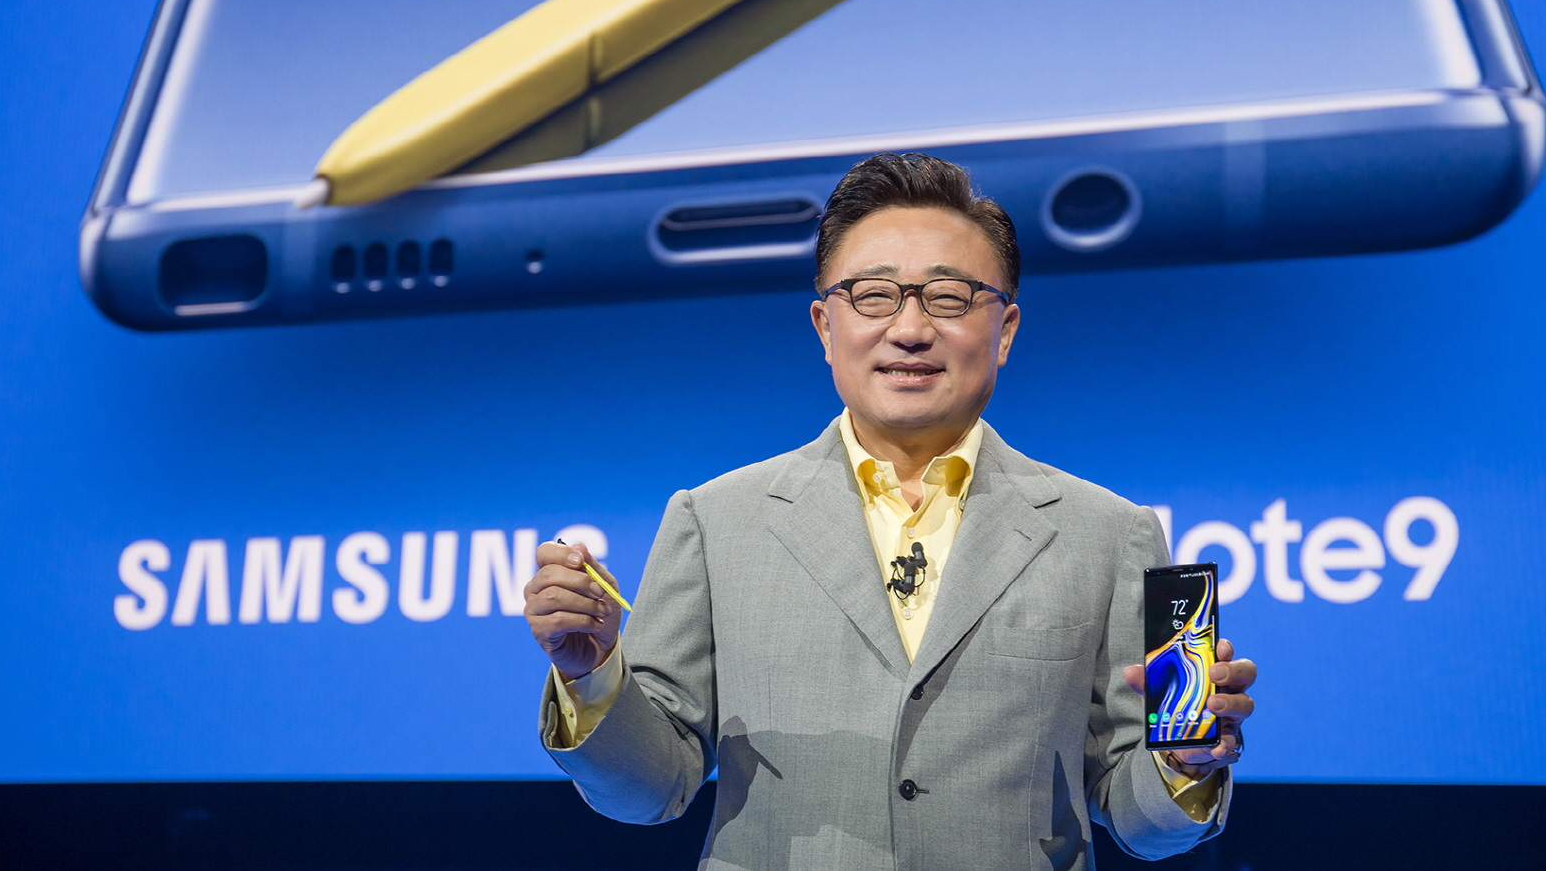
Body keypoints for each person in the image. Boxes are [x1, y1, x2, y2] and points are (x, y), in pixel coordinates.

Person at [523, 152, 1256, 869]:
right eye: (874, 295)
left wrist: (1184, 762)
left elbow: (1138, 821)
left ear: (1004, 330)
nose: (909, 328)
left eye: (949, 296)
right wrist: (594, 677)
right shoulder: (715, 522)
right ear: (824, 326)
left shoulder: (1110, 533)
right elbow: (653, 788)